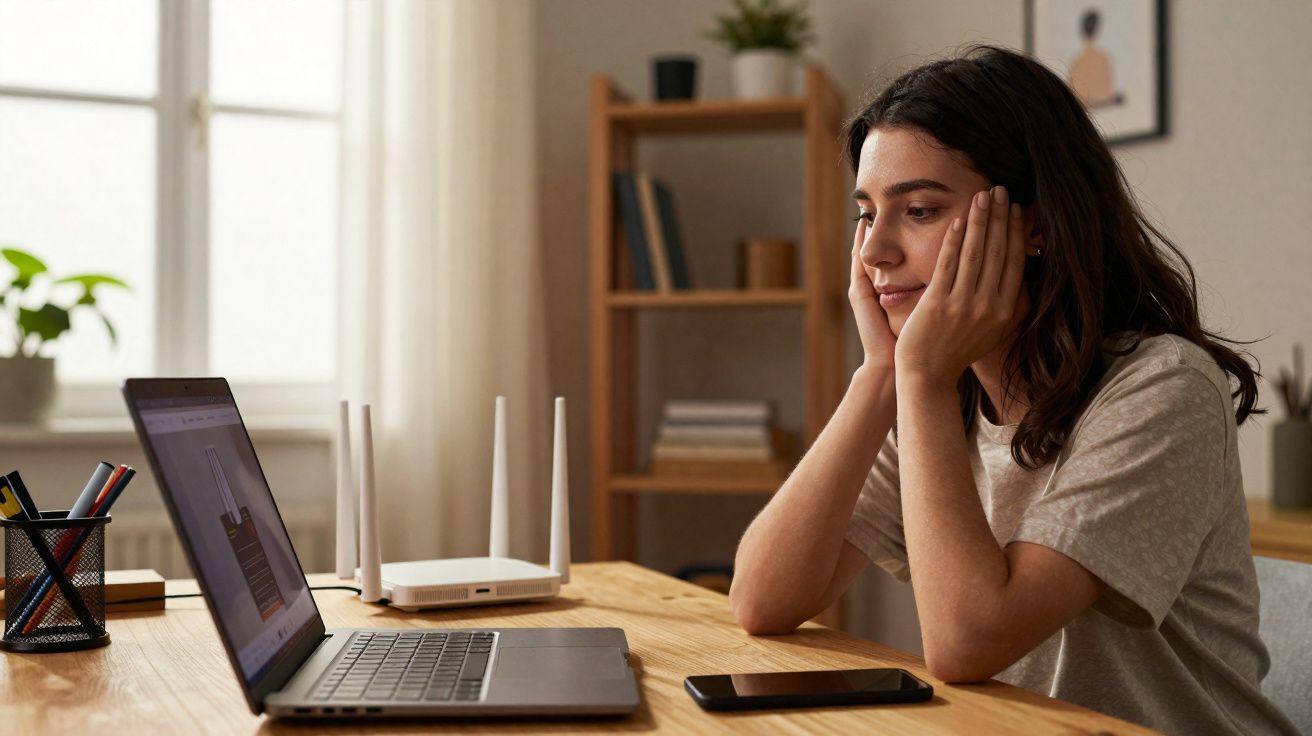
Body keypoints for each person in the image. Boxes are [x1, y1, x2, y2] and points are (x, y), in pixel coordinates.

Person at [728, 45, 1298, 735]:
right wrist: (880, 375)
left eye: (919, 210)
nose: (875, 251)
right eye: (866, 213)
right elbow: (762, 600)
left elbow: (969, 642)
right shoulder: (936, 390)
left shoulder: (1162, 391)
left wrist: (919, 377)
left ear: (1032, 226)